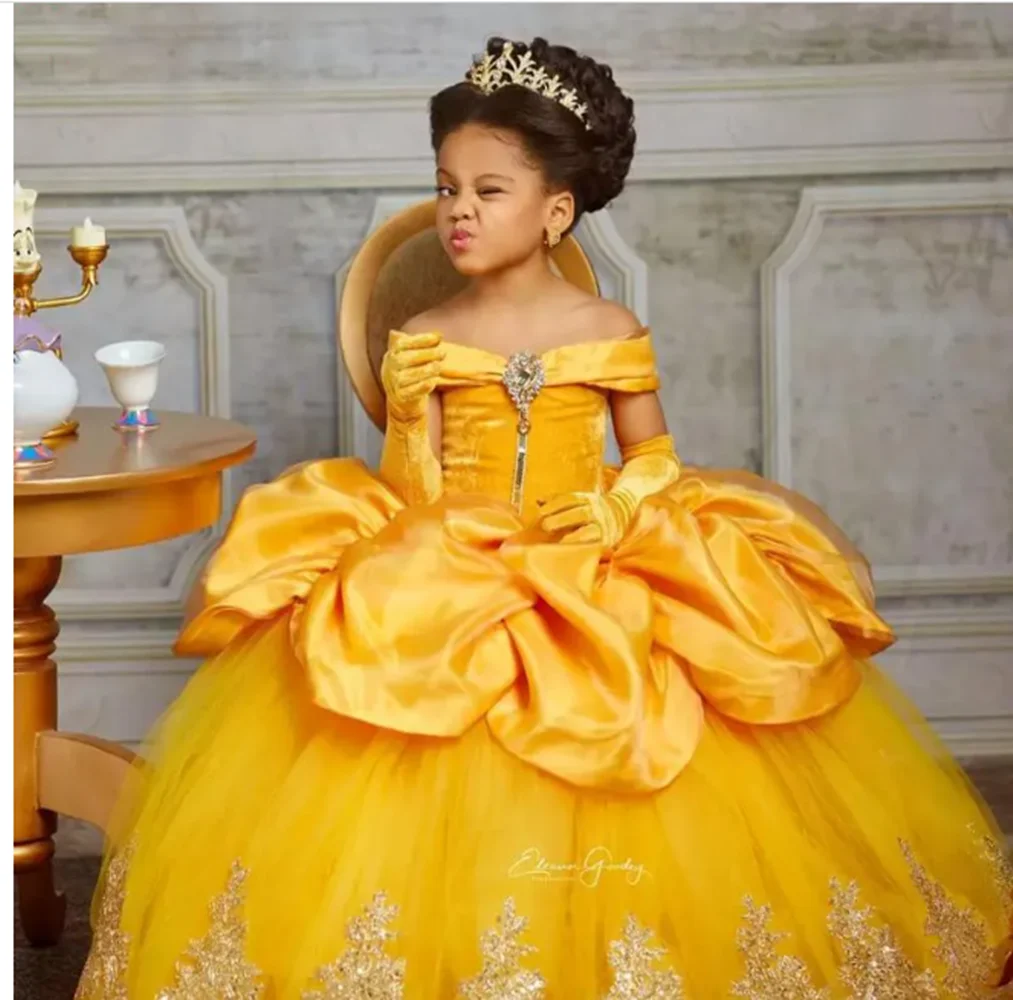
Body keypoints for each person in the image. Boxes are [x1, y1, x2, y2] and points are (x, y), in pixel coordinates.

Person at [76, 36, 1011, 1000]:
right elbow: (411, 488)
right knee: (387, 688)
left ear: (555, 209)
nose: (457, 213)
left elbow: (652, 454)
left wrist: (616, 510)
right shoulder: (427, 336)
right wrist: (407, 414)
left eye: (488, 191)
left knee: (670, 709)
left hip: (593, 550)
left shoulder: (606, 332)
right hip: (455, 560)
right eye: (446, 188)